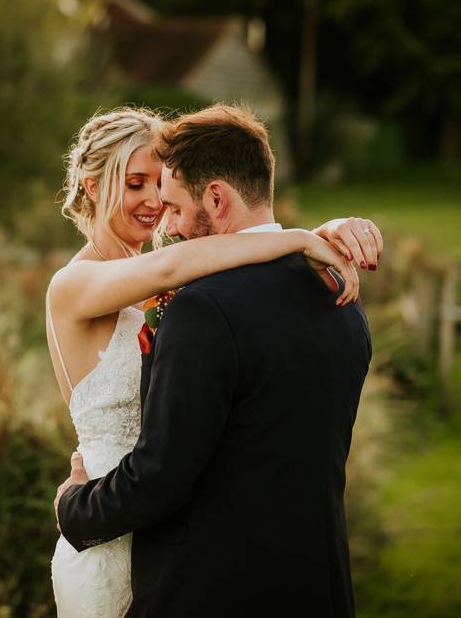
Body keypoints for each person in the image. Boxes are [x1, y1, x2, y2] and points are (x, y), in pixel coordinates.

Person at [48, 105, 381, 617]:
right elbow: (186, 263)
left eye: (160, 188)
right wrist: (298, 238)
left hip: (172, 542)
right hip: (110, 534)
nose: (154, 205)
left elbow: (233, 281)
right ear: (92, 187)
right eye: (135, 184)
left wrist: (319, 234)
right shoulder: (77, 284)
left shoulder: (188, 288)